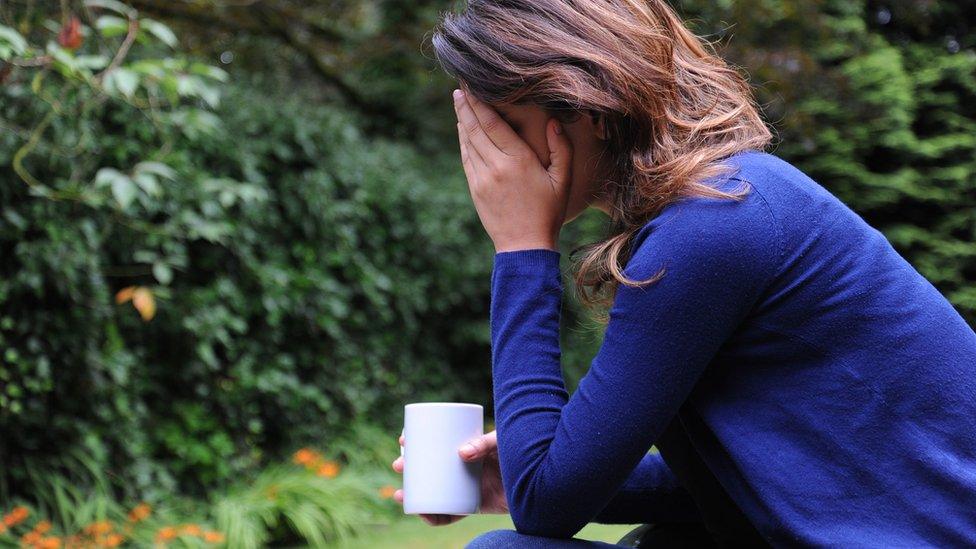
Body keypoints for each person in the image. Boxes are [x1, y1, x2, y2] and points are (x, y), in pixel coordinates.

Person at [390, 0, 976, 546]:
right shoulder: (726, 203)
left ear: (582, 104)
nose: (488, 158)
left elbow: (549, 504)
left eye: (499, 125)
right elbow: (763, 476)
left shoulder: (715, 223)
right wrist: (520, 473)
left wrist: (521, 248)